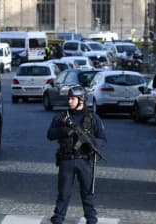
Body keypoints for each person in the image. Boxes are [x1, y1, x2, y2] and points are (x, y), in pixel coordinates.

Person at [47, 85, 107, 224]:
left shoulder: (92, 118)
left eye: (73, 98)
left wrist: (91, 141)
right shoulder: (62, 117)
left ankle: (91, 219)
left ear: (82, 100)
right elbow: (50, 135)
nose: (69, 101)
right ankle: (58, 218)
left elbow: (103, 139)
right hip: (66, 160)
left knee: (87, 193)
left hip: (85, 160)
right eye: (69, 98)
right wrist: (64, 131)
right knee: (64, 193)